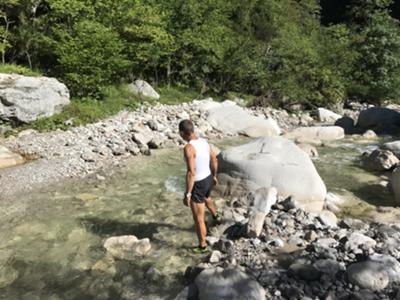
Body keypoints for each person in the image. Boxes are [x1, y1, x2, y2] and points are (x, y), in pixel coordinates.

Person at [179, 119, 220, 254]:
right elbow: (214, 159)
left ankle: (202, 246)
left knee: (198, 219)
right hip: (208, 177)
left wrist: (187, 194)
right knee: (207, 197)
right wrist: (214, 175)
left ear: (182, 133)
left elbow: (191, 173)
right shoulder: (203, 141)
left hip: (198, 183)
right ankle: (216, 216)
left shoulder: (189, 148)